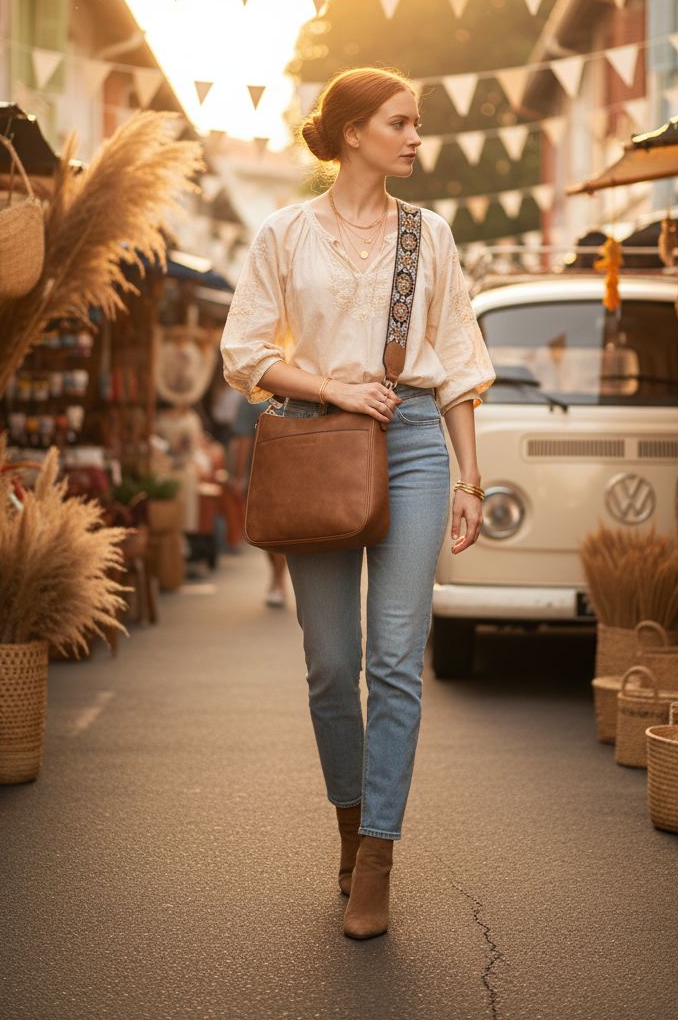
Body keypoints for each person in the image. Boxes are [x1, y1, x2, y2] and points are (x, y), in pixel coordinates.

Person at [220, 66, 494, 940]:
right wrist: (334, 392)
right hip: (319, 441)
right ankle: (348, 827)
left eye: (417, 123)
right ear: (352, 133)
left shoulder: (430, 235)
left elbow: (454, 359)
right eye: (400, 122)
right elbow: (247, 353)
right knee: (333, 665)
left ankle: (377, 856)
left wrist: (470, 478)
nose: (416, 137)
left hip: (413, 440)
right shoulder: (285, 233)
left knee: (396, 658)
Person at [227, 391, 289, 607]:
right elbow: (243, 440)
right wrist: (238, 476)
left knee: (279, 529)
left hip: (288, 468)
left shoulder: (298, 391)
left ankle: (278, 580)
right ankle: (276, 576)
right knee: (266, 530)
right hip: (260, 471)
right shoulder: (251, 397)